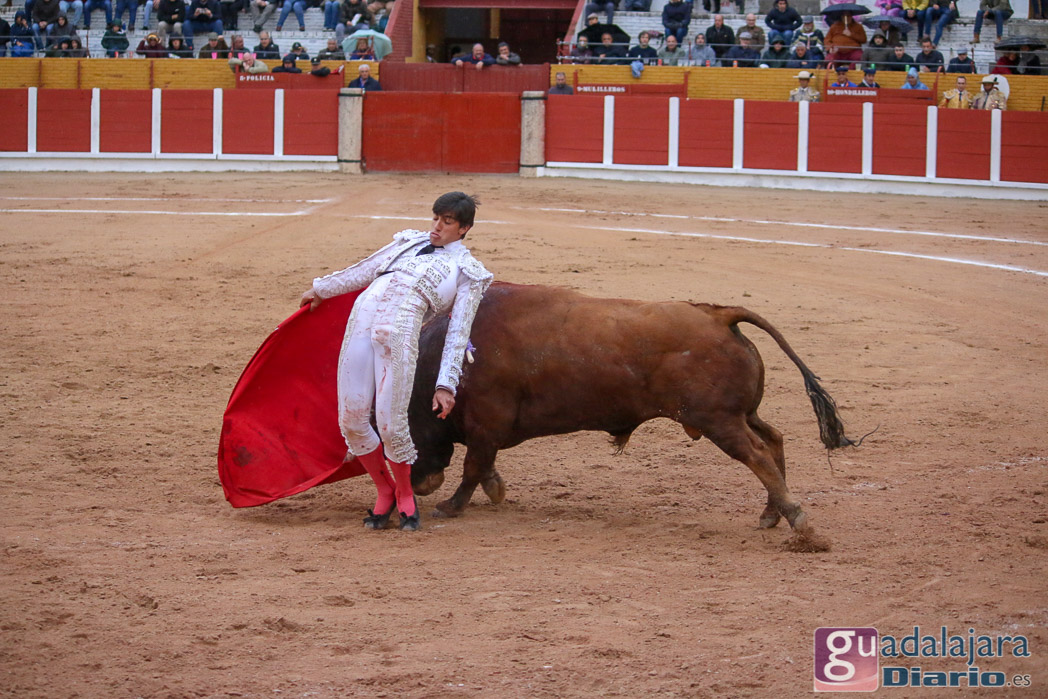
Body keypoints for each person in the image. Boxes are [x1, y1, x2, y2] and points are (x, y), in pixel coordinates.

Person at [300, 192, 493, 533]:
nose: (437, 227)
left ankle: (404, 492)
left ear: (463, 229)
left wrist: (446, 385)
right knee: (352, 419)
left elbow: (458, 331)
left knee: (390, 426)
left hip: (398, 336)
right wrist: (321, 289)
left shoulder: (468, 272)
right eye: (435, 218)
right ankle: (384, 489)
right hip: (361, 323)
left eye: (447, 222)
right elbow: (365, 270)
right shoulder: (407, 242)